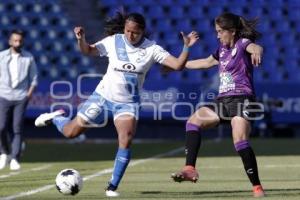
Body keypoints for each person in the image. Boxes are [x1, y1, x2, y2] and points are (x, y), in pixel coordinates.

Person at [34, 12, 198, 197]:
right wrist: (81, 39)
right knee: (71, 133)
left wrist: (186, 47)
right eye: (127, 31)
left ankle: (111, 187)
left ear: (142, 31)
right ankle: (56, 118)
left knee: (125, 139)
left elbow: (177, 65)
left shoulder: (152, 49)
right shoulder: (114, 41)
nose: (130, 35)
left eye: (135, 32)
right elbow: (87, 50)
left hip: (128, 104)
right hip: (102, 96)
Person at [171, 12, 265, 198]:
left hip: (242, 99)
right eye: (217, 31)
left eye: (221, 31)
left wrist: (256, 52)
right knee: (193, 120)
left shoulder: (242, 43)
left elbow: (256, 47)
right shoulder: (221, 50)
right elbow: (205, 62)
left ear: (232, 31)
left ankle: (257, 188)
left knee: (239, 140)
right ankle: (190, 168)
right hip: (222, 101)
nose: (218, 35)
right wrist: (178, 63)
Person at [0, 30, 38, 170]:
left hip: (21, 97)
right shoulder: (1, 56)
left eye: (20, 41)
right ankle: (4, 152)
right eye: (15, 40)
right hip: (3, 96)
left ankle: (15, 158)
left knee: (17, 128)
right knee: (1, 127)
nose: (17, 43)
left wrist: (28, 95)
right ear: (10, 41)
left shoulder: (29, 58)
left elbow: (34, 79)